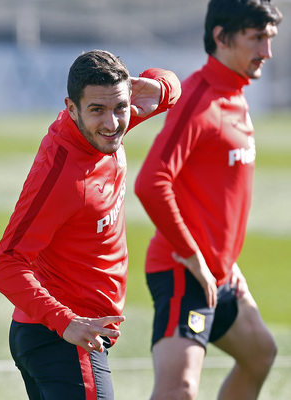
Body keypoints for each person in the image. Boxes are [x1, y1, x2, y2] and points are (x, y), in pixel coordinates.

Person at [0, 49, 181, 399]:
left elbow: (171, 88)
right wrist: (66, 321)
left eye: (121, 107)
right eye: (97, 110)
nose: (112, 122)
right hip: (62, 339)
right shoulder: (62, 175)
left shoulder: (104, 130)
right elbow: (5, 263)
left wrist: (159, 87)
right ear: (71, 108)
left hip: (66, 335)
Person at [135, 1, 282, 399]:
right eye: (256, 39)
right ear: (221, 36)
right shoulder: (199, 97)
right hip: (184, 271)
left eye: (269, 39)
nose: (266, 52)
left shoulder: (235, 93)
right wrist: (193, 252)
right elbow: (151, 182)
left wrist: (223, 261)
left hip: (221, 276)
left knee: (260, 354)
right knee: (179, 390)